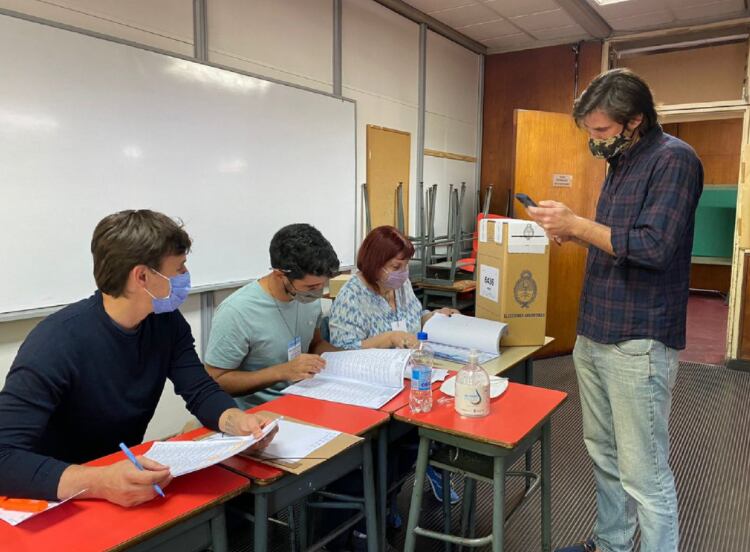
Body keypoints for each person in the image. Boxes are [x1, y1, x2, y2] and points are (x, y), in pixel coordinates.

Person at [525, 69, 703, 552]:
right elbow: (616, 243)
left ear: (635, 120)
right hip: (596, 331)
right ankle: (611, 543)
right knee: (603, 455)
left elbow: (654, 247)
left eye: (602, 131)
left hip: (637, 339)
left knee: (644, 471)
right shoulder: (621, 162)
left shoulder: (675, 161)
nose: (595, 141)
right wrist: (574, 232)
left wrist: (579, 224)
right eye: (590, 132)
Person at [0, 210, 273, 507]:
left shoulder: (165, 322)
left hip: (127, 480)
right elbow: (4, 457)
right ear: (142, 276)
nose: (185, 277)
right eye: (179, 268)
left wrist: (237, 421)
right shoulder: (55, 342)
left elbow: (200, 389)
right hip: (61, 493)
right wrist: (99, 481)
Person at [328, 225, 460, 505]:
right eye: (396, 266)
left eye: (405, 265)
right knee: (411, 432)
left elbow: (414, 316)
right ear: (375, 263)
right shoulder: (352, 296)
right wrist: (387, 338)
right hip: (376, 386)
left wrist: (434, 317)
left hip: (411, 375)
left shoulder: (399, 285)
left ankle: (428, 463)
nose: (403, 272)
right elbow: (343, 351)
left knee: (448, 405)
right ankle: (394, 489)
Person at [205, 223, 340, 408]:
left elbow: (315, 343)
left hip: (307, 397)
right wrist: (281, 372)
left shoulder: (308, 299)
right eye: (310, 287)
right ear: (279, 275)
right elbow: (216, 380)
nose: (317, 293)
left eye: (321, 285)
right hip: (259, 415)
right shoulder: (236, 312)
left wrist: (351, 359)